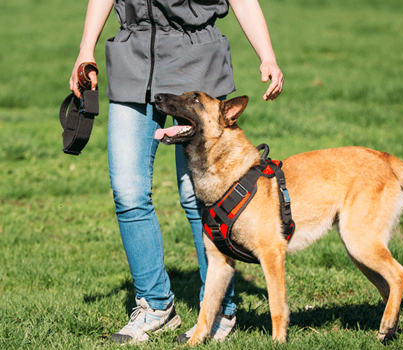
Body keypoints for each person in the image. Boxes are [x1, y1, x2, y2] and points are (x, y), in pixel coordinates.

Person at [69, 0, 283, 345]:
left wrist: (267, 55)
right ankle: (155, 307)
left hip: (198, 61)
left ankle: (218, 311)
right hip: (132, 59)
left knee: (201, 198)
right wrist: (85, 50)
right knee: (128, 192)